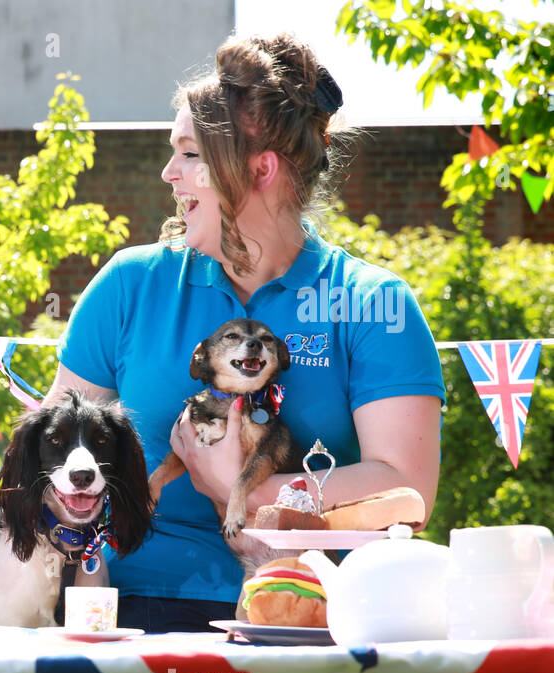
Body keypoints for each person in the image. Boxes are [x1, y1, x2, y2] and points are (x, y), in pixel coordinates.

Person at [48, 33, 445, 634]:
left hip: (311, 613)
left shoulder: (372, 303)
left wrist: (249, 491)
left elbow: (406, 490)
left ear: (260, 169)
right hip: (129, 608)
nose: (168, 173)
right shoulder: (129, 285)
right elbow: (51, 453)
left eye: (189, 154)